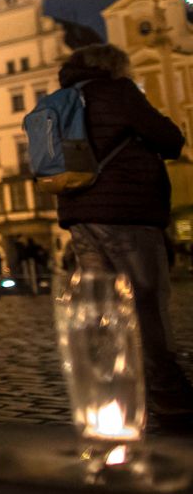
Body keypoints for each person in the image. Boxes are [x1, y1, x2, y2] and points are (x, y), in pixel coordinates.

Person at [53, 43, 193, 416]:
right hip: (126, 211)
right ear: (113, 66)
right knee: (146, 300)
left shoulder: (63, 100)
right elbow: (169, 139)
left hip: (80, 214)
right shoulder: (117, 92)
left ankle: (113, 391)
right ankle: (168, 393)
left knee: (103, 303)